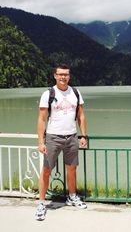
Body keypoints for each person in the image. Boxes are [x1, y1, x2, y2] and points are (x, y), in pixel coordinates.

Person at [35, 64, 87, 221]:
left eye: (66, 74)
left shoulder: (76, 92)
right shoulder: (48, 94)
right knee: (46, 171)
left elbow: (81, 116)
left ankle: (72, 196)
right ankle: (42, 203)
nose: (63, 77)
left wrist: (84, 135)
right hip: (53, 137)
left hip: (71, 137)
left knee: (72, 169)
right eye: (60, 74)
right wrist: (40, 141)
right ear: (55, 76)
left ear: (69, 76)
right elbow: (41, 119)